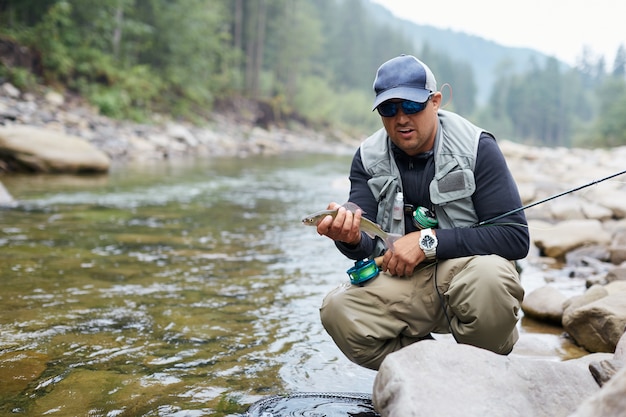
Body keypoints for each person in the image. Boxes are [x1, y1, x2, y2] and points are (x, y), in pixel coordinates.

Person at [315, 54, 529, 371]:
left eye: (412, 106)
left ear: (435, 102)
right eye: (389, 109)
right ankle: (429, 373)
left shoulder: (477, 147)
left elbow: (515, 238)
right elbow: (363, 242)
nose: (400, 118)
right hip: (405, 282)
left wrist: (426, 242)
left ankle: (483, 369)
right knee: (338, 309)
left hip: (468, 276)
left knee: (491, 279)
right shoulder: (367, 158)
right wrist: (347, 236)